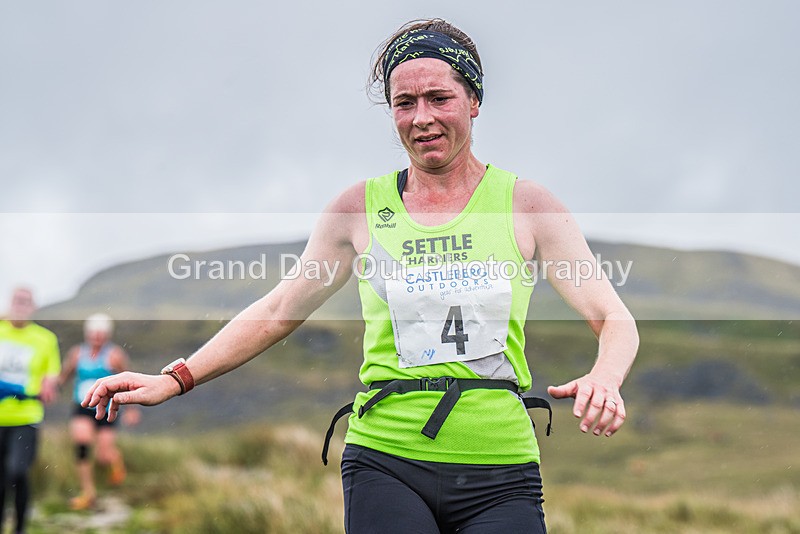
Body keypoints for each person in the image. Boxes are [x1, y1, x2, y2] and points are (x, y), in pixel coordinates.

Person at [83, 18, 639, 533]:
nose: (422, 117)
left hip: (500, 466)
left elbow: (612, 317)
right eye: (404, 103)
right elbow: (280, 310)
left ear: (473, 101)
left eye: (439, 98)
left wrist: (605, 377)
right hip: (385, 459)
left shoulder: (527, 205)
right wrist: (175, 378)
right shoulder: (358, 208)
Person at [59, 313, 140, 511]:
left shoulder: (115, 355)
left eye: (101, 334)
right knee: (82, 443)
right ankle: (88, 493)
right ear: (87, 334)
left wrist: (131, 409)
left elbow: (127, 381)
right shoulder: (77, 353)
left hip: (107, 408)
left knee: (103, 456)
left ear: (107, 335)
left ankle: (114, 459)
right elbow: (66, 374)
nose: (97, 337)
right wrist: (55, 386)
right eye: (94, 333)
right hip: (82, 405)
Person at [0, 288, 60, 534]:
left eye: (26, 302)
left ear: (33, 307)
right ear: (9, 303)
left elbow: (51, 377)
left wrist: (49, 386)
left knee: (18, 471)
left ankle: (20, 528)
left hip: (26, 418)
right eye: (17, 300)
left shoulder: (45, 339)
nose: (21, 305)